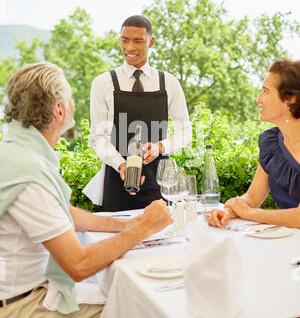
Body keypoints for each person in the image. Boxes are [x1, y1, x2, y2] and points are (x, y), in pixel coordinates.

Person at [0, 61, 172, 318]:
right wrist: (143, 230)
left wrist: (128, 223)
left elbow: (61, 211)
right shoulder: (28, 169)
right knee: (144, 308)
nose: (72, 103)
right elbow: (78, 265)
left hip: (23, 293)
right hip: (20, 306)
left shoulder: (16, 152)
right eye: (68, 97)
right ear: (59, 110)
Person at [83, 15, 192, 211]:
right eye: (125, 40)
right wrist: (121, 165)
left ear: (151, 42)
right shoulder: (102, 83)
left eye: (137, 41)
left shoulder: (169, 83)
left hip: (160, 183)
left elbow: (185, 133)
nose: (130, 48)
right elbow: (98, 138)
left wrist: (160, 146)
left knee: (162, 240)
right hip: (117, 180)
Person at [207, 59, 300, 229]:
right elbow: (251, 198)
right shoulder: (271, 143)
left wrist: (248, 213)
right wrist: (228, 211)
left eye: (266, 91)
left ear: (290, 99)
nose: (258, 99)